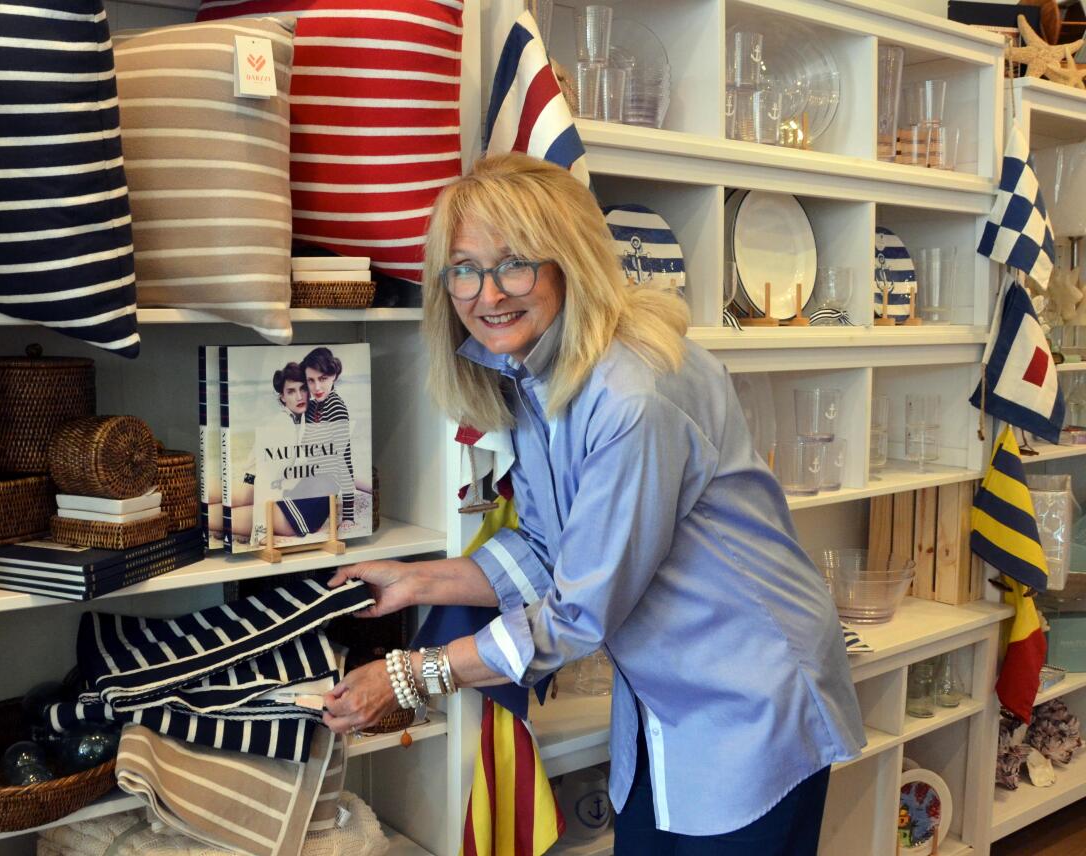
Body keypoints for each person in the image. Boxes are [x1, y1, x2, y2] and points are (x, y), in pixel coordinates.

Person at [321, 153, 866, 854]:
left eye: (514, 263)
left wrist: (412, 674)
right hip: (662, 697)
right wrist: (418, 581)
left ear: (568, 263)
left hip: (753, 693)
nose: (487, 293)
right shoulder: (530, 371)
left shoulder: (632, 395)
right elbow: (553, 550)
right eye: (463, 268)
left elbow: (578, 613)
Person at [228, 362, 330, 541]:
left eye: (303, 389)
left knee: (225, 506)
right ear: (282, 397)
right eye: (291, 391)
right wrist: (262, 530)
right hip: (253, 480)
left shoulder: (296, 419)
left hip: (250, 477)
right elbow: (267, 478)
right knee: (222, 509)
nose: (299, 396)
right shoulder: (284, 425)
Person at [302, 347, 357, 530]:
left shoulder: (336, 408)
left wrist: (348, 516)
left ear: (334, 376)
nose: (317, 387)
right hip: (310, 480)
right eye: (311, 380)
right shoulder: (311, 407)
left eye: (323, 379)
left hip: (325, 486)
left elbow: (344, 460)